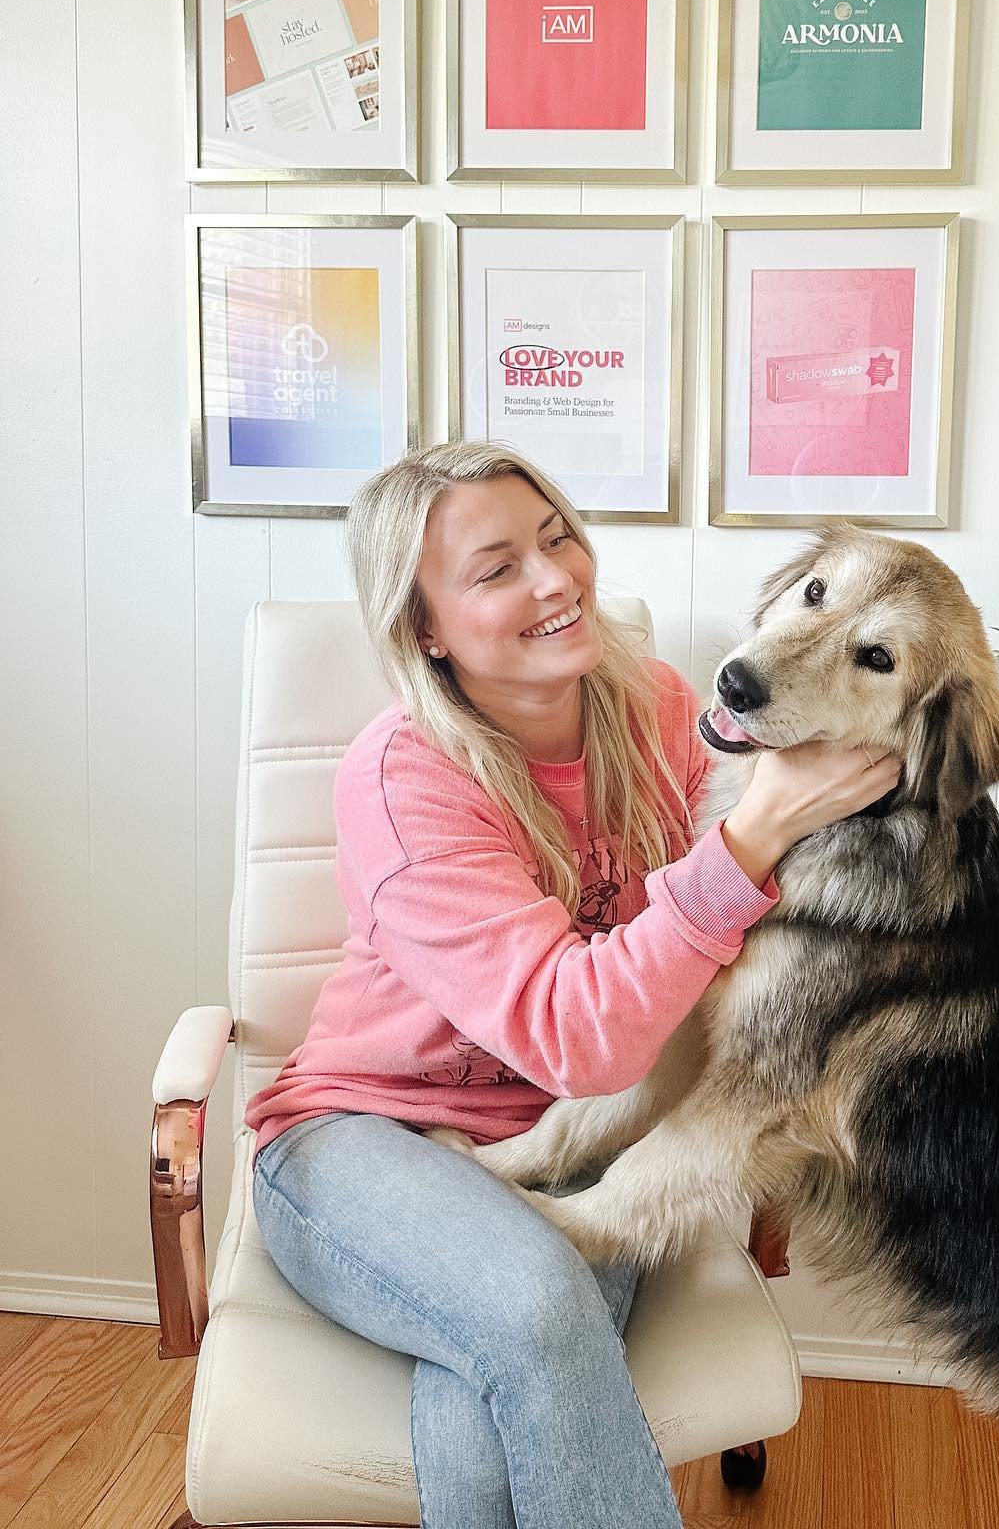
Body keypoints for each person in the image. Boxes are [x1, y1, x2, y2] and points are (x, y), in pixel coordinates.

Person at [246, 441, 901, 1529]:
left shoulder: (658, 710)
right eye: (497, 568)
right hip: (360, 1138)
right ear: (426, 628)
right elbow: (580, 1038)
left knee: (496, 1404)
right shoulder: (403, 781)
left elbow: (767, 938)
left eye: (556, 538)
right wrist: (756, 830)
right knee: (544, 1304)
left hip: (574, 1139)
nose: (556, 578)